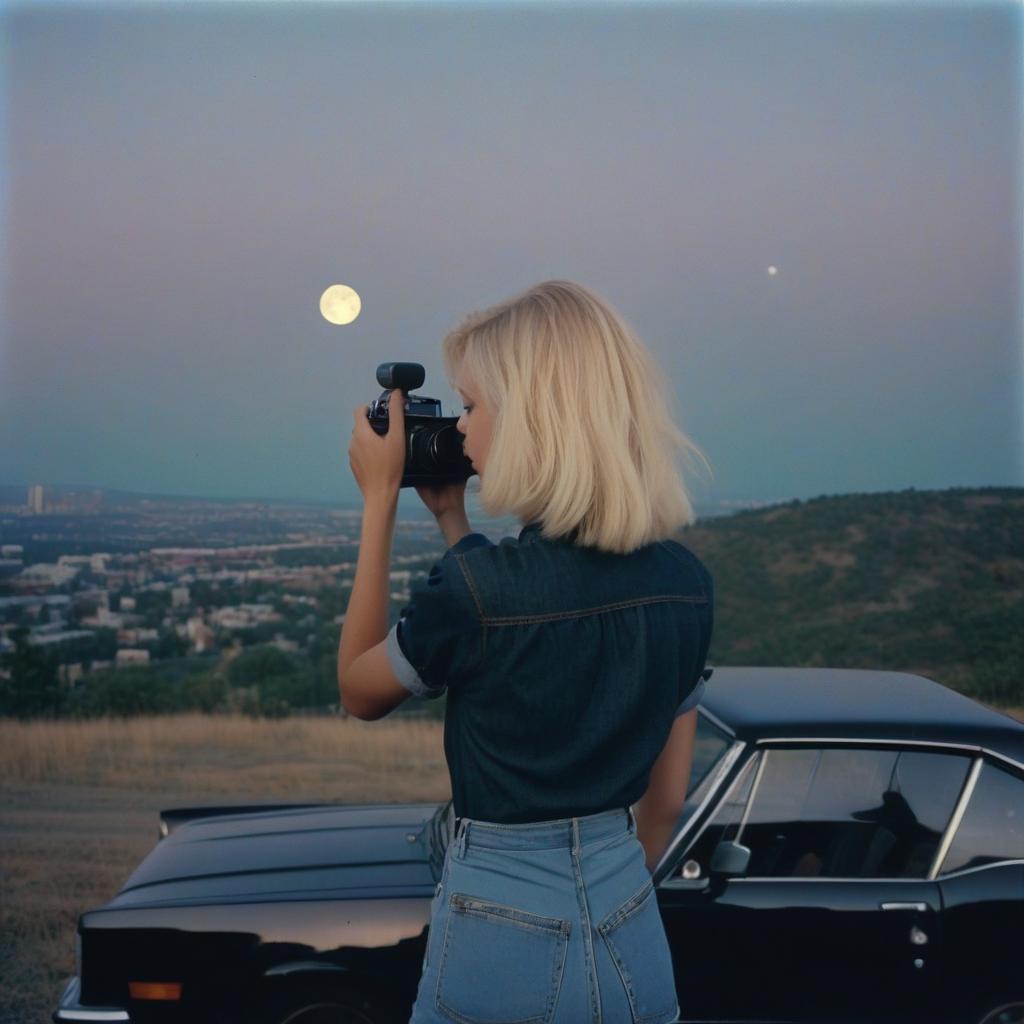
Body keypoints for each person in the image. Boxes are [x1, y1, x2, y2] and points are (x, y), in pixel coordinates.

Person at [339, 279, 714, 1024]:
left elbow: (359, 688)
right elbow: (664, 803)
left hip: (500, 930)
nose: (464, 432)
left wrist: (378, 499)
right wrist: (453, 518)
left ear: (532, 419)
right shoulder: (685, 583)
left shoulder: (479, 590)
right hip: (633, 932)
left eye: (473, 406)